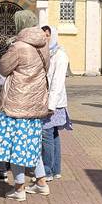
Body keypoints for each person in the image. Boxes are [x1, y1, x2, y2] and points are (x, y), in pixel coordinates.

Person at [0, 10, 50, 201]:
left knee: (15, 146)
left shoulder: (18, 46)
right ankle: (41, 183)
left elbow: (4, 68)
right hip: (36, 102)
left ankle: (19, 188)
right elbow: (46, 68)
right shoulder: (44, 45)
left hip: (17, 102)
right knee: (32, 145)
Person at [41, 25, 71, 180]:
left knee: (46, 133)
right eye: (43, 35)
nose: (45, 38)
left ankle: (47, 171)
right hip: (50, 100)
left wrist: (51, 105)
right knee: (53, 134)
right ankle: (56, 169)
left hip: (54, 102)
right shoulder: (47, 53)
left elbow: (57, 82)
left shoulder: (60, 55)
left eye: (48, 35)